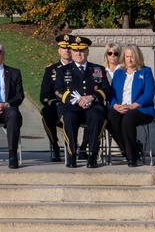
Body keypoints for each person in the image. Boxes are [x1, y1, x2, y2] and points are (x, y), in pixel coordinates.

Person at [53, 35, 110, 168]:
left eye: (82, 50)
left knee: (97, 117)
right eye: (76, 50)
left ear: (87, 52)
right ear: (71, 51)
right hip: (71, 107)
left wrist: (92, 97)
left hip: (93, 106)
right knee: (69, 117)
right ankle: (72, 154)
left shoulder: (98, 69)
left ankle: (93, 155)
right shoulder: (62, 70)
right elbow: (58, 91)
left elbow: (106, 90)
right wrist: (76, 99)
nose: (79, 53)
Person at [107, 43, 155, 167]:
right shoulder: (119, 73)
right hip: (121, 107)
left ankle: (131, 157)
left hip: (141, 109)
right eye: (127, 56)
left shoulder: (146, 71)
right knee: (111, 117)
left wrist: (133, 106)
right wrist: (115, 105)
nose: (129, 60)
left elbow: (149, 93)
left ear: (138, 57)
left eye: (132, 57)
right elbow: (111, 93)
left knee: (128, 119)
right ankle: (132, 149)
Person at [39, 33, 74, 162]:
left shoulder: (79, 69)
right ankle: (54, 146)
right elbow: (44, 96)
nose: (67, 50)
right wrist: (57, 103)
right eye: (63, 48)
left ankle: (80, 148)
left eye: (69, 47)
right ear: (59, 50)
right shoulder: (51, 70)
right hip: (57, 106)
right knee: (46, 112)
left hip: (75, 106)